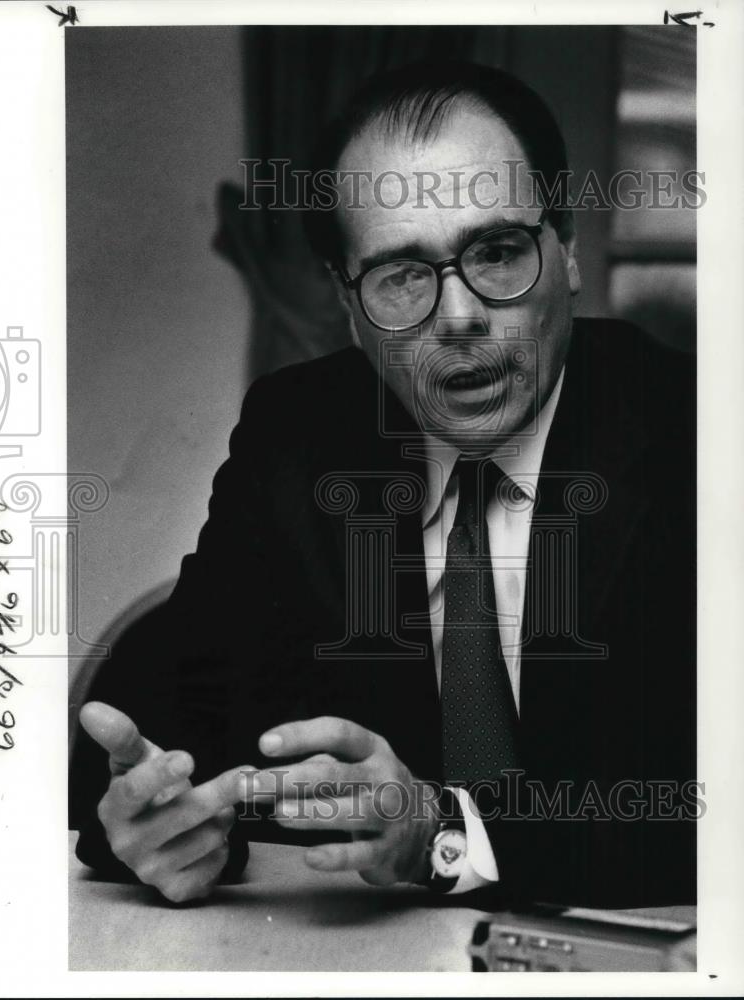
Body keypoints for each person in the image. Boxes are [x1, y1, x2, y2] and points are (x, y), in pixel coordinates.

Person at [71, 60, 696, 908]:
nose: (461, 316)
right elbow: (161, 714)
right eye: (402, 275)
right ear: (347, 304)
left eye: (498, 252)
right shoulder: (300, 436)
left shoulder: (693, 430)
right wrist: (169, 823)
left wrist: (446, 834)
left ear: (568, 251)